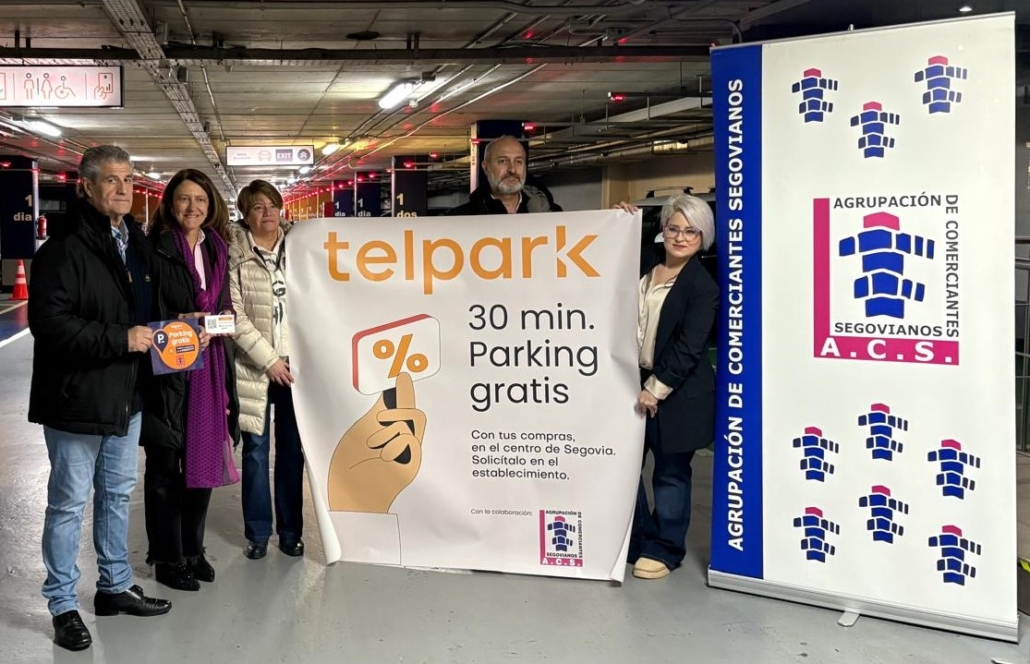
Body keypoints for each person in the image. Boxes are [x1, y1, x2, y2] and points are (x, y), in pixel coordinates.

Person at [28, 145, 171, 652]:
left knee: (116, 495)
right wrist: (119, 339)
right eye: (111, 180)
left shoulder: (135, 243)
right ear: (86, 187)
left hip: (125, 397)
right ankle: (62, 604)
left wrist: (179, 327)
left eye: (128, 179)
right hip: (77, 399)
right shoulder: (63, 249)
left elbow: (145, 311)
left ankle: (114, 587)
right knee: (68, 503)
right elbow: (49, 323)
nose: (123, 188)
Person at [142, 169, 239, 591]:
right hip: (168, 370)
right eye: (184, 199)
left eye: (200, 199)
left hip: (210, 367)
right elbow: (142, 309)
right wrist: (180, 321)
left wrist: (216, 324)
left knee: (204, 459)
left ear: (210, 205)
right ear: (170, 204)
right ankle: (167, 558)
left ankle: (193, 550)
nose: (192, 207)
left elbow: (226, 309)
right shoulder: (155, 249)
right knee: (165, 466)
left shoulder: (218, 249)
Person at [619, 194, 718, 580]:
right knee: (625, 467)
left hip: (676, 393)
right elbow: (607, 253)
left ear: (703, 236)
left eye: (691, 231)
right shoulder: (644, 262)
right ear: (662, 230)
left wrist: (655, 389)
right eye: (674, 228)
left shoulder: (702, 286)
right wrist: (619, 222)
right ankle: (636, 540)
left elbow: (689, 348)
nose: (680, 237)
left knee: (670, 474)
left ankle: (665, 548)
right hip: (630, 381)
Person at [229, 180, 306, 560]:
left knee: (292, 451)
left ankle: (291, 532)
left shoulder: (303, 247)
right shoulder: (234, 254)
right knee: (255, 453)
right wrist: (269, 360)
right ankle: (258, 533)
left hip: (297, 366)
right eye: (258, 207)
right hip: (255, 368)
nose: (268, 213)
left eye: (273, 205)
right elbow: (234, 315)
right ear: (245, 214)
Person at [446, 135, 562, 215]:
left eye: (518, 162)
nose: (512, 169)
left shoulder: (552, 215)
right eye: (503, 161)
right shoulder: (459, 219)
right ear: (486, 167)